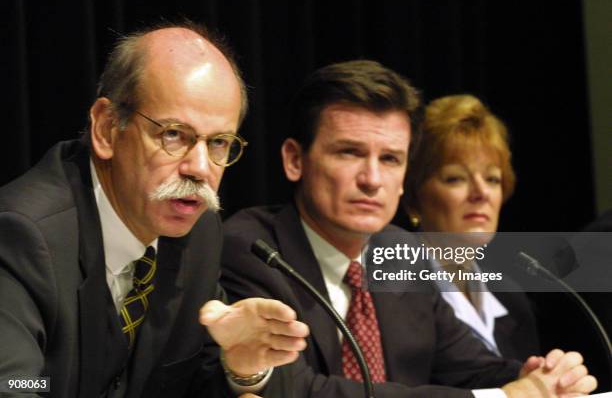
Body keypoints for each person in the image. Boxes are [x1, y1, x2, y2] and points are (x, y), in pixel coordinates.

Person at [220, 60, 596, 397]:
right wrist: (509, 397)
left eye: (390, 159)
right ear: (295, 160)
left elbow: (469, 367)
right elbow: (296, 388)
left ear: (404, 177)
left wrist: (541, 377)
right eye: (349, 153)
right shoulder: (254, 249)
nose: (372, 179)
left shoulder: (401, 251)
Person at [0, 22, 309, 398]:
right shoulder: (22, 237)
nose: (199, 168)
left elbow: (194, 381)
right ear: (107, 128)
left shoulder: (198, 231)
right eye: (174, 134)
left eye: (219, 143)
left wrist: (240, 368)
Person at [401, 94, 539, 361]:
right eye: (456, 178)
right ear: (413, 197)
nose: (481, 193)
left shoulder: (511, 298)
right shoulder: (395, 297)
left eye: (492, 179)